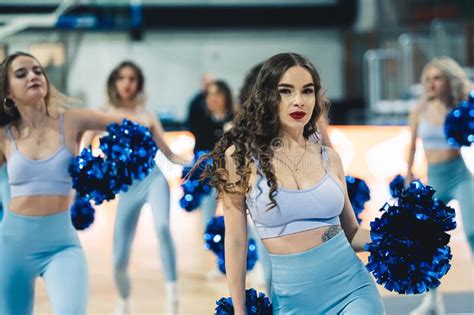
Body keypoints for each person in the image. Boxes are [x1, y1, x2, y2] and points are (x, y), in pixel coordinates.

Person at [201, 52, 385, 314]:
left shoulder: (330, 158)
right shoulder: (240, 158)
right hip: (292, 302)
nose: (298, 101)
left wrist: (396, 238)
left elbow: (352, 233)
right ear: (267, 97)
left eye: (307, 91)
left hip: (353, 288)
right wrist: (239, 310)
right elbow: (236, 242)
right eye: (286, 91)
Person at [0, 51, 132, 314]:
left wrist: (110, 167)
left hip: (62, 244)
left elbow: (131, 126)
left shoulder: (72, 121)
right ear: (8, 92)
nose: (33, 76)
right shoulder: (4, 136)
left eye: (38, 71)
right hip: (12, 245)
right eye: (21, 73)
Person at [87, 61, 189, 315]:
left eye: (132, 78)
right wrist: (89, 173)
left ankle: (173, 297)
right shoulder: (103, 112)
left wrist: (196, 164)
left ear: (139, 84)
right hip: (127, 188)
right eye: (122, 78)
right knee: (119, 257)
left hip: (153, 178)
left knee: (163, 227)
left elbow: (168, 153)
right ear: (114, 82)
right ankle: (123, 302)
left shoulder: (147, 114)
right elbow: (86, 149)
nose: (127, 83)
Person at [407, 57, 473, 315]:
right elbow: (412, 147)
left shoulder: (460, 105)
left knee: (473, 232)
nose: (432, 83)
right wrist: (407, 175)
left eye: (438, 78)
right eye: (428, 79)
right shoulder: (419, 109)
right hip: (435, 179)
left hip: (460, 175)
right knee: (428, 241)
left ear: (448, 81)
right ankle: (433, 301)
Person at [187, 79, 235, 230]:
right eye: (209, 94)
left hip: (233, 176)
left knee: (236, 218)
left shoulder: (237, 119)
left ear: (226, 97)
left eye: (218, 94)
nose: (213, 98)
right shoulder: (201, 120)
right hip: (208, 176)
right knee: (207, 219)